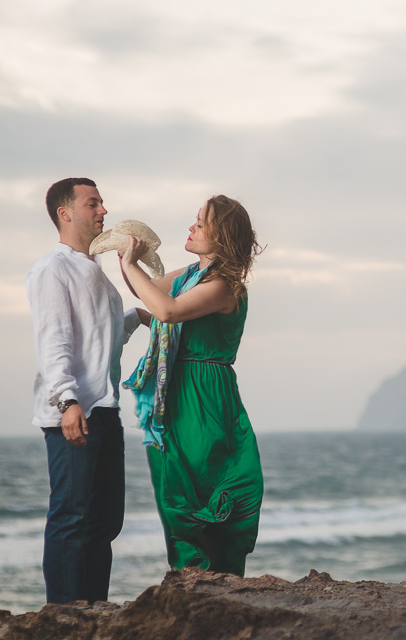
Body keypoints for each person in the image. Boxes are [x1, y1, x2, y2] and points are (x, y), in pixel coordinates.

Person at [119, 195, 264, 575]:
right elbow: (145, 290)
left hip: (204, 394)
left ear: (222, 237)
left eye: (200, 224)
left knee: (204, 478)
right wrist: (127, 261)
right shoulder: (187, 276)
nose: (191, 227)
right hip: (174, 391)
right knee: (173, 481)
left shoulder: (224, 285)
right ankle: (189, 575)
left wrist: (130, 263)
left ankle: (214, 576)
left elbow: (167, 311)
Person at [27, 177, 146, 604]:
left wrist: (138, 316)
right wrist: (67, 400)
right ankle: (62, 616)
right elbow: (54, 340)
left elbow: (102, 337)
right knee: (72, 519)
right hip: (74, 411)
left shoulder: (93, 271)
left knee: (104, 521)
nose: (103, 211)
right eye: (93, 203)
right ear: (66, 213)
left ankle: (93, 610)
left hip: (105, 409)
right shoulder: (52, 269)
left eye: (101, 203)